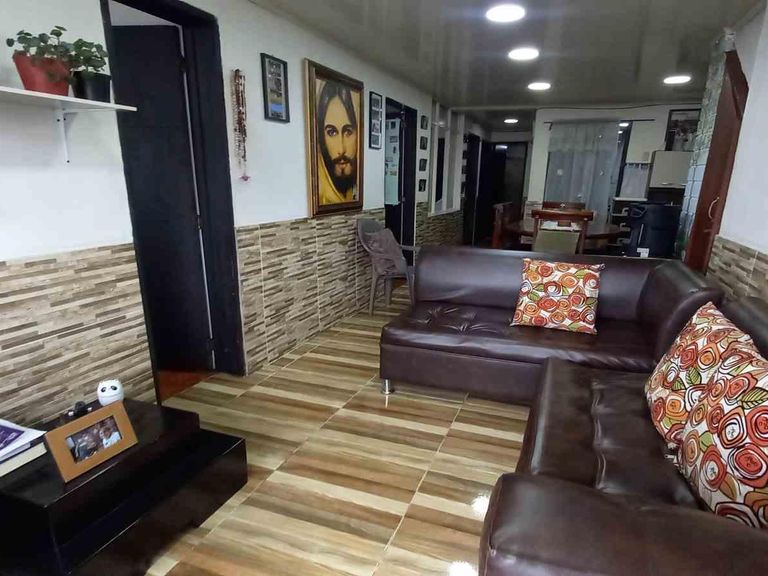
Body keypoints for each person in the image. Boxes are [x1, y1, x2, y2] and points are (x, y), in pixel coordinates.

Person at [316, 80, 359, 205]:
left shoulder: (355, 193)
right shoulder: (321, 197)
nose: (341, 149)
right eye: (332, 132)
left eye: (348, 132)